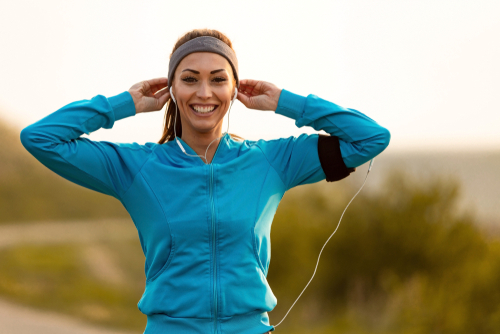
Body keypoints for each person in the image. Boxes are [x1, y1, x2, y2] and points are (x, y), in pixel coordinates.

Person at [20, 28, 391, 334]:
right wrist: (122, 104)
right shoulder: (136, 167)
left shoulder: (272, 162)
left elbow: (371, 138)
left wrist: (286, 102)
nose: (203, 93)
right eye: (189, 79)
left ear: (234, 90)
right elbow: (40, 138)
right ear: (171, 90)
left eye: (218, 80)